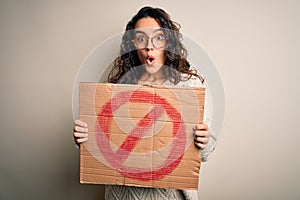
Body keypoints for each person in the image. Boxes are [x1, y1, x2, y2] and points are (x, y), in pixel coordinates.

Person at [74, 6, 216, 200]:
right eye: (141, 38)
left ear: (168, 43)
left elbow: (205, 152)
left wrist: (204, 141)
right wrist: (84, 138)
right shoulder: (115, 89)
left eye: (158, 37)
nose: (149, 46)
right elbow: (101, 148)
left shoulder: (191, 87)